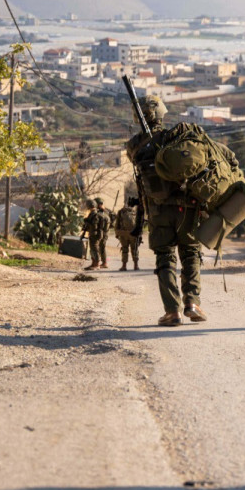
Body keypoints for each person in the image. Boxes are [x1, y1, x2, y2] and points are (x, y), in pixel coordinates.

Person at [126, 95, 207, 327]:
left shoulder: (133, 146)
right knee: (191, 254)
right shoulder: (177, 137)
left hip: (158, 210)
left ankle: (172, 311)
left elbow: (137, 158)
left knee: (165, 258)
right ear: (162, 113)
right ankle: (192, 303)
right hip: (187, 208)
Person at [80, 198, 110, 271]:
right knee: (95, 248)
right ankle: (95, 263)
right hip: (98, 233)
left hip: (96, 234)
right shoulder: (100, 213)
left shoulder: (95, 214)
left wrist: (88, 224)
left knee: (95, 248)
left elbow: (94, 225)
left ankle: (96, 264)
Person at [116, 196, 144, 271]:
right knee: (134, 249)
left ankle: (124, 266)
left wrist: (117, 233)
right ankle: (136, 265)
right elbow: (140, 223)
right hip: (134, 234)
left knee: (124, 250)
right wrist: (140, 234)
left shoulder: (121, 211)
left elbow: (117, 224)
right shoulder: (136, 211)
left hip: (123, 234)